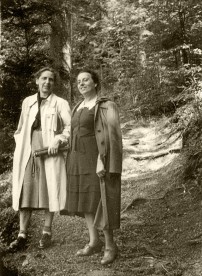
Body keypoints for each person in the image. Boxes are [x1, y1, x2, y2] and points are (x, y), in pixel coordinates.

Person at [62, 69, 122, 265]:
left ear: (95, 83)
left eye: (85, 80)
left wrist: (102, 160)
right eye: (78, 81)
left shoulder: (106, 105)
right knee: (86, 200)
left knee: (100, 200)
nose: (81, 83)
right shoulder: (77, 106)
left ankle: (110, 245)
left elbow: (112, 137)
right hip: (76, 159)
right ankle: (94, 241)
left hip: (95, 158)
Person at [10, 67, 71, 251]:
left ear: (54, 83)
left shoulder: (60, 103)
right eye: (43, 78)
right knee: (24, 191)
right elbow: (20, 128)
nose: (47, 82)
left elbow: (70, 127)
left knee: (49, 189)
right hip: (27, 152)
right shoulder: (28, 102)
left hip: (49, 152)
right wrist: (20, 144)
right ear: (37, 81)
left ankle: (46, 232)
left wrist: (58, 139)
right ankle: (22, 234)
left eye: (51, 79)